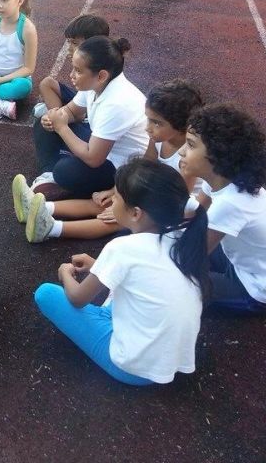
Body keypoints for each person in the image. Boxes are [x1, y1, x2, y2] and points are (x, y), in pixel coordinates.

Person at [34, 158, 209, 385]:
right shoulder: (182, 240)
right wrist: (99, 265)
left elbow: (77, 299)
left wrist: (65, 273)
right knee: (123, 293)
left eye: (116, 197)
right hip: (169, 362)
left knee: (46, 293)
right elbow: (143, 277)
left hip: (131, 368)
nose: (111, 202)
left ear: (136, 213)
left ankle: (106, 325)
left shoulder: (122, 248)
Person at [16, 79, 203, 242]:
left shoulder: (188, 159)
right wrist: (115, 192)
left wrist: (129, 205)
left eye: (156, 123)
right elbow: (145, 167)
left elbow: (178, 202)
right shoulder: (159, 140)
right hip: (156, 192)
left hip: (175, 213)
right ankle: (36, 206)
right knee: (105, 203)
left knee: (119, 217)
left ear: (181, 127)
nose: (148, 128)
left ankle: (52, 229)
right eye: (148, 120)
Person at [181, 104, 266, 313]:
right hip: (245, 263)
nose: (182, 151)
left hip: (257, 289)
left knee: (175, 286)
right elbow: (195, 213)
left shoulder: (230, 204)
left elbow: (191, 257)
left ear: (218, 155)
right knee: (178, 242)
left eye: (190, 145)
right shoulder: (220, 179)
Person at [19, 35, 149, 204]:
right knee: (44, 125)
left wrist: (62, 128)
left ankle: (60, 180)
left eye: (78, 71)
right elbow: (72, 111)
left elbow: (94, 158)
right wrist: (56, 117)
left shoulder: (117, 103)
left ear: (101, 76)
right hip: (104, 147)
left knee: (66, 171)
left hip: (123, 167)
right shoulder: (96, 84)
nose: (72, 75)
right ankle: (48, 176)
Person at [33, 13, 110, 119]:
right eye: (69, 42)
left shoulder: (98, 70)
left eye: (74, 43)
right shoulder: (84, 60)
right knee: (46, 83)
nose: (69, 48)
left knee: (45, 129)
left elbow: (79, 114)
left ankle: (58, 117)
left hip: (92, 112)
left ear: (92, 44)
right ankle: (57, 113)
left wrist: (62, 121)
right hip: (81, 100)